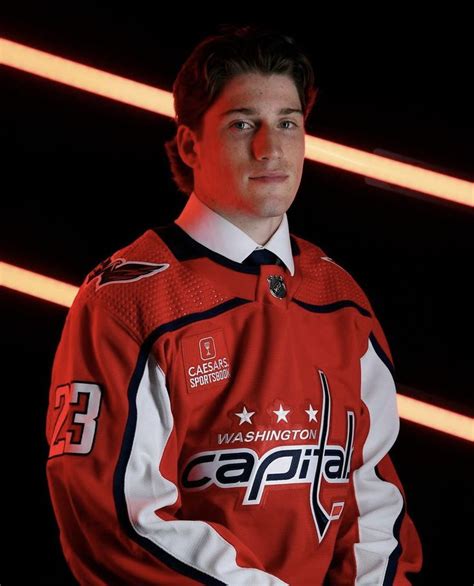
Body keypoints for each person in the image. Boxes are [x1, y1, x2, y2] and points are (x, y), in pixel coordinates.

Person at [45, 24, 423, 585]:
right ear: (190, 144)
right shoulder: (127, 301)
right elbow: (119, 522)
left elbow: (373, 496)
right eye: (243, 123)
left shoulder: (341, 299)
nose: (270, 148)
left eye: (288, 123)